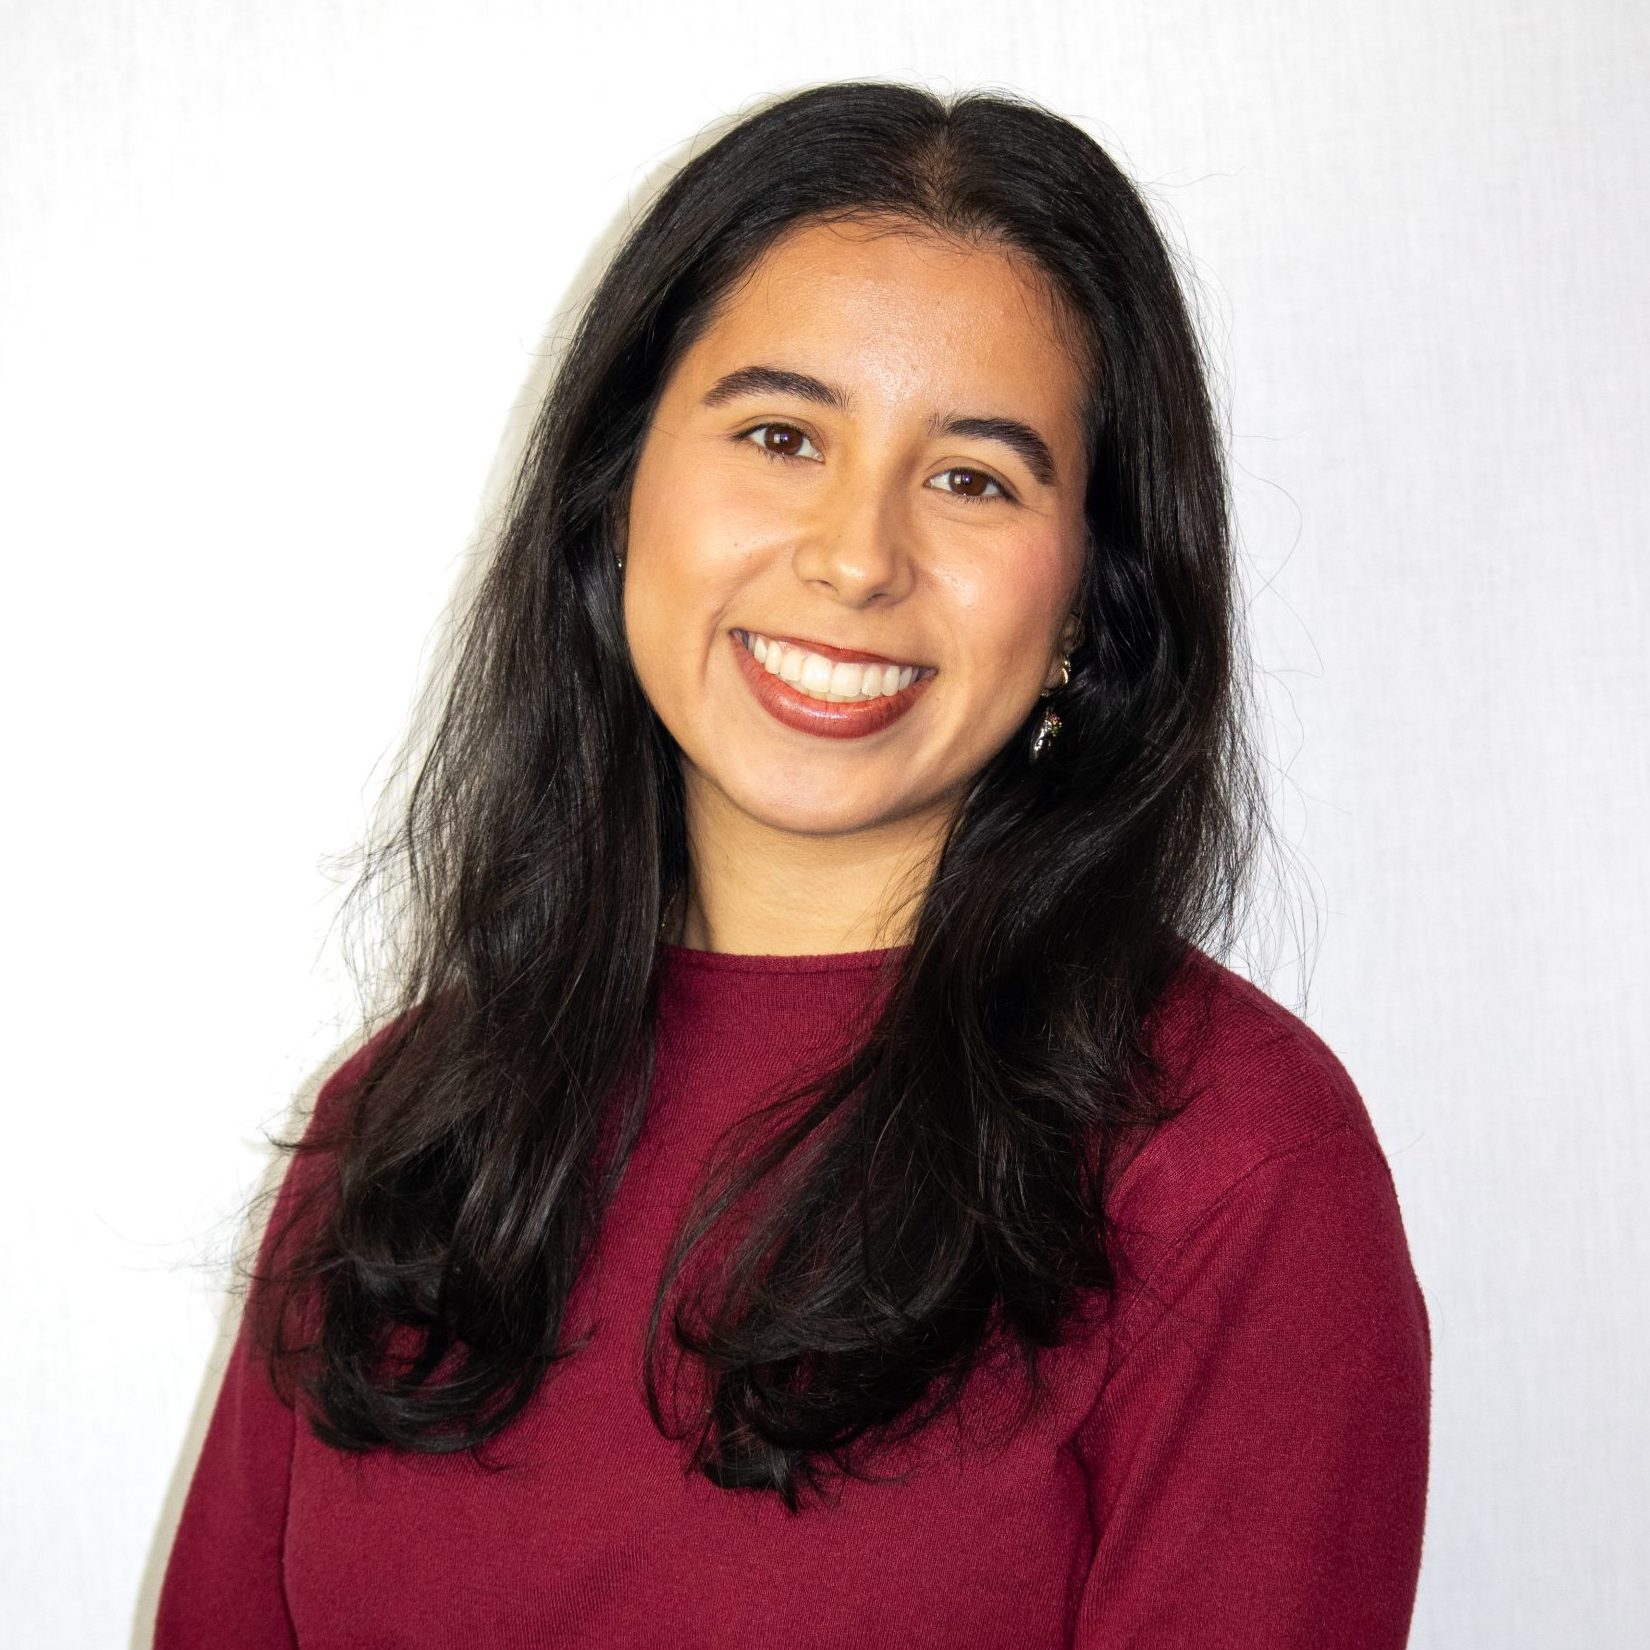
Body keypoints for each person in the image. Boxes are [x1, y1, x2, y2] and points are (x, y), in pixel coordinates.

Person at [154, 80, 1431, 1648]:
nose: (853, 553)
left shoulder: (1224, 1165)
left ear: (1092, 601)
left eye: (973, 475)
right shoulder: (406, 1128)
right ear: (616, 494)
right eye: (779, 434)